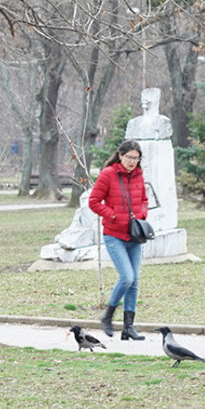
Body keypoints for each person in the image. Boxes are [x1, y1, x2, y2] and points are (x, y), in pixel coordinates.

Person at [88, 140, 148, 341]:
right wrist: (112, 215)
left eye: (136, 158)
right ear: (120, 155)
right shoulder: (108, 174)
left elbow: (145, 200)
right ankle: (107, 315)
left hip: (135, 235)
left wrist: (142, 214)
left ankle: (128, 327)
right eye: (129, 157)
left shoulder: (139, 175)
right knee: (127, 277)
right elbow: (94, 202)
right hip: (114, 235)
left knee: (135, 281)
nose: (132, 161)